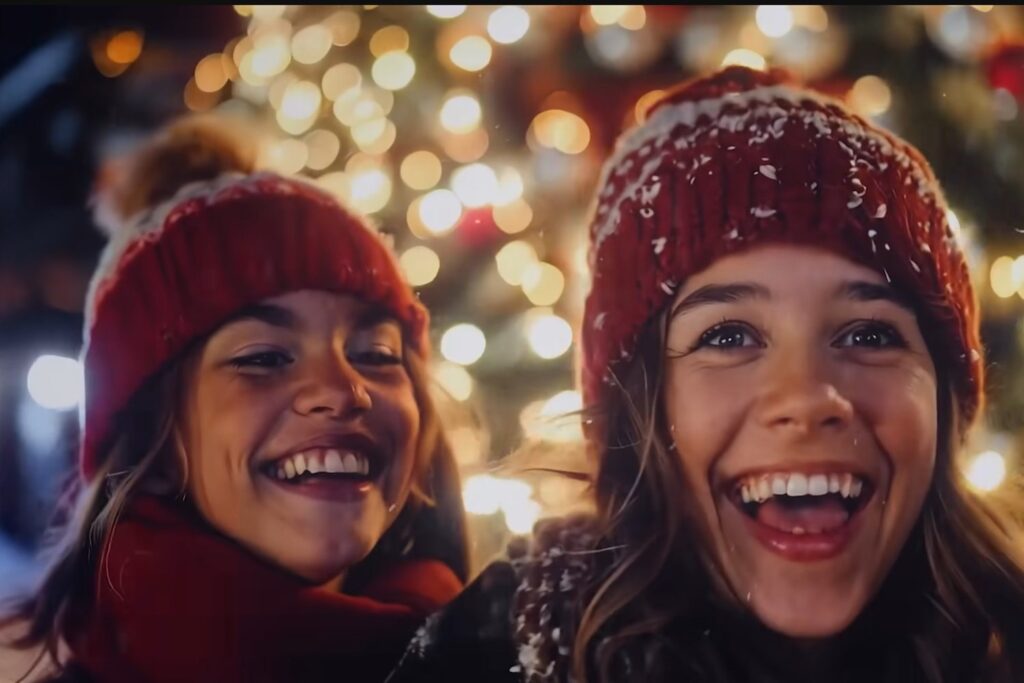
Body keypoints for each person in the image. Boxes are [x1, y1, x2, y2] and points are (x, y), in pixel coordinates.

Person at [385, 66, 1024, 683]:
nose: (805, 399)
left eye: (870, 334)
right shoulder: (489, 652)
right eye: (727, 336)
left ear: (944, 399)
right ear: (642, 407)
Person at [0, 116, 468, 683]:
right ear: (157, 440)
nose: (345, 392)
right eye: (264, 358)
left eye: (376, 353)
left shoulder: (507, 651)